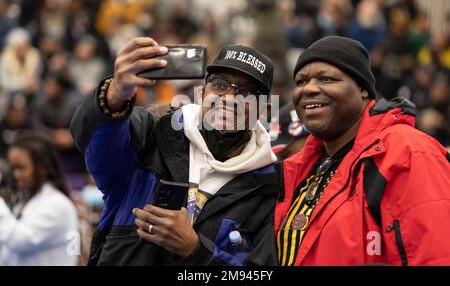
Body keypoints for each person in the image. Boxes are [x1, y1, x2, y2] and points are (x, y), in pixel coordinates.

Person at [70, 37, 280, 266]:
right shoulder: (150, 134)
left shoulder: (271, 187)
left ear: (264, 111)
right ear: (201, 93)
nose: (229, 98)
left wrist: (195, 250)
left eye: (247, 92)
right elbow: (91, 142)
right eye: (219, 84)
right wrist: (114, 95)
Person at [275, 36, 450, 266]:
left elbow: (436, 256)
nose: (308, 89)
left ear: (363, 90)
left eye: (326, 79)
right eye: (300, 81)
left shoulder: (408, 152)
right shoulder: (298, 167)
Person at [0, 133, 79, 266]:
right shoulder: (25, 199)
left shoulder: (57, 205)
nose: (15, 174)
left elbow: (20, 240)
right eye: (12, 168)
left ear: (42, 168)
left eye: (21, 168)